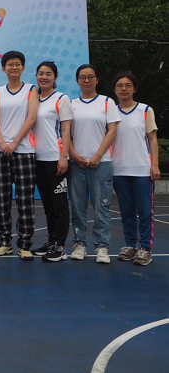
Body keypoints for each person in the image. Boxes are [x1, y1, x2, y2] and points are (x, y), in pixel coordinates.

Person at [69, 64, 120, 264]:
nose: (87, 80)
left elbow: (112, 131)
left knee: (102, 207)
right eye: (83, 77)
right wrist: (74, 155)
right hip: (77, 165)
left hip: (101, 163)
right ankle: (79, 244)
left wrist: (98, 155)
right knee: (78, 207)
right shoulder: (71, 105)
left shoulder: (107, 102)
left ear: (97, 79)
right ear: (77, 81)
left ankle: (102, 247)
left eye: (90, 76)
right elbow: (65, 133)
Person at [0, 51, 39, 261]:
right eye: (10, 64)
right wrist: (2, 143)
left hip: (24, 151)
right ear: (3, 68)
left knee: (25, 200)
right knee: (2, 200)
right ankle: (4, 242)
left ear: (23, 67)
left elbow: (31, 118)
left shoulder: (30, 90)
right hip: (0, 151)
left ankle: (25, 244)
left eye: (18, 64)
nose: (14, 67)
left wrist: (15, 142)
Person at [111, 71, 160, 266]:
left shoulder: (145, 110)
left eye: (128, 85)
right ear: (115, 90)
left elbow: (152, 139)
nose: (123, 89)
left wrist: (154, 164)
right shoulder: (110, 112)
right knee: (126, 211)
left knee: (145, 211)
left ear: (134, 89)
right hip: (119, 170)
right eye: (120, 85)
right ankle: (130, 245)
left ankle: (145, 248)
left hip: (141, 169)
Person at [31, 62, 72, 262]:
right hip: (37, 159)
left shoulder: (61, 99)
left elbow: (66, 129)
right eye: (41, 73)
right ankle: (51, 240)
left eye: (48, 74)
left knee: (59, 204)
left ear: (55, 77)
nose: (44, 77)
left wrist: (63, 156)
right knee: (48, 204)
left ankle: (59, 245)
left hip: (55, 159)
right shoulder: (33, 99)